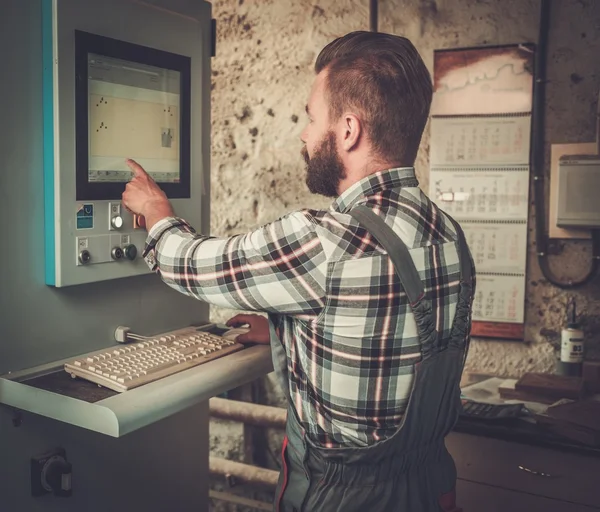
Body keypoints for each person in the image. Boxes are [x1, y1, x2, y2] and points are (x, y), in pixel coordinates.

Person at [123, 30, 474, 512]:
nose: (305, 136)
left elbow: (192, 265)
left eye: (311, 119)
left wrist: (157, 213)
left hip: (346, 496)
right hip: (430, 485)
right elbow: (393, 328)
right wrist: (288, 330)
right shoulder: (448, 232)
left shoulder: (325, 239)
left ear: (348, 130)